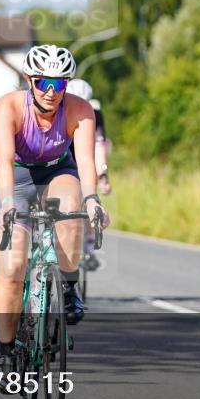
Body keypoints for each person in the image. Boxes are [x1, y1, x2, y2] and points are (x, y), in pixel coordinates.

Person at [0, 45, 111, 387]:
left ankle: (69, 288)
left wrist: (92, 200)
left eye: (59, 83)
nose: (51, 92)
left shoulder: (80, 110)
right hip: (15, 177)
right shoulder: (9, 106)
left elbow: (85, 161)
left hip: (57, 172)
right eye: (43, 83)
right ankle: (7, 351)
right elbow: (5, 162)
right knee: (11, 269)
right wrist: (9, 203)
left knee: (71, 212)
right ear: (30, 80)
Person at [65, 79, 111, 271]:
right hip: (64, 158)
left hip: (86, 159)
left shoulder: (95, 116)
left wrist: (103, 176)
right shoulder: (59, 111)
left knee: (89, 202)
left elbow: (99, 146)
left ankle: (90, 247)